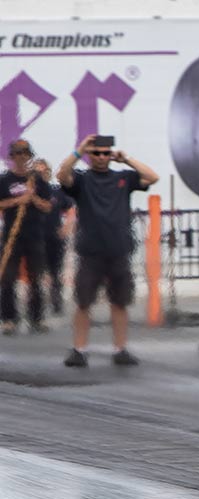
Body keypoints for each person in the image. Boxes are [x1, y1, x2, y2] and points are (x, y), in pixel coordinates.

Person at [56, 134, 159, 366]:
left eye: (105, 153)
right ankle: (79, 349)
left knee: (119, 302)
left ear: (110, 154)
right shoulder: (82, 180)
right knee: (84, 302)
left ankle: (120, 349)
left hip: (118, 249)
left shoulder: (123, 177)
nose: (101, 157)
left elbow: (152, 177)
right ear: (90, 156)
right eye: (96, 153)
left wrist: (126, 159)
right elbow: (61, 175)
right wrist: (79, 150)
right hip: (91, 252)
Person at [0, 139, 52, 335]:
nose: (21, 156)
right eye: (17, 153)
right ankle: (8, 318)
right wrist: (17, 201)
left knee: (36, 278)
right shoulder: (4, 180)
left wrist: (33, 199)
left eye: (24, 153)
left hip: (34, 235)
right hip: (12, 236)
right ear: (11, 157)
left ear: (29, 156)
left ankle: (37, 318)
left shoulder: (38, 180)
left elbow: (48, 206)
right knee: (8, 278)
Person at [33, 158, 75, 315]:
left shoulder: (57, 191)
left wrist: (67, 227)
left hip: (54, 237)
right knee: (35, 272)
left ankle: (56, 302)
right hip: (34, 237)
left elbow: (71, 209)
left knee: (55, 272)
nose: (41, 175)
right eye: (37, 172)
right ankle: (36, 306)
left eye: (44, 171)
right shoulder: (29, 192)